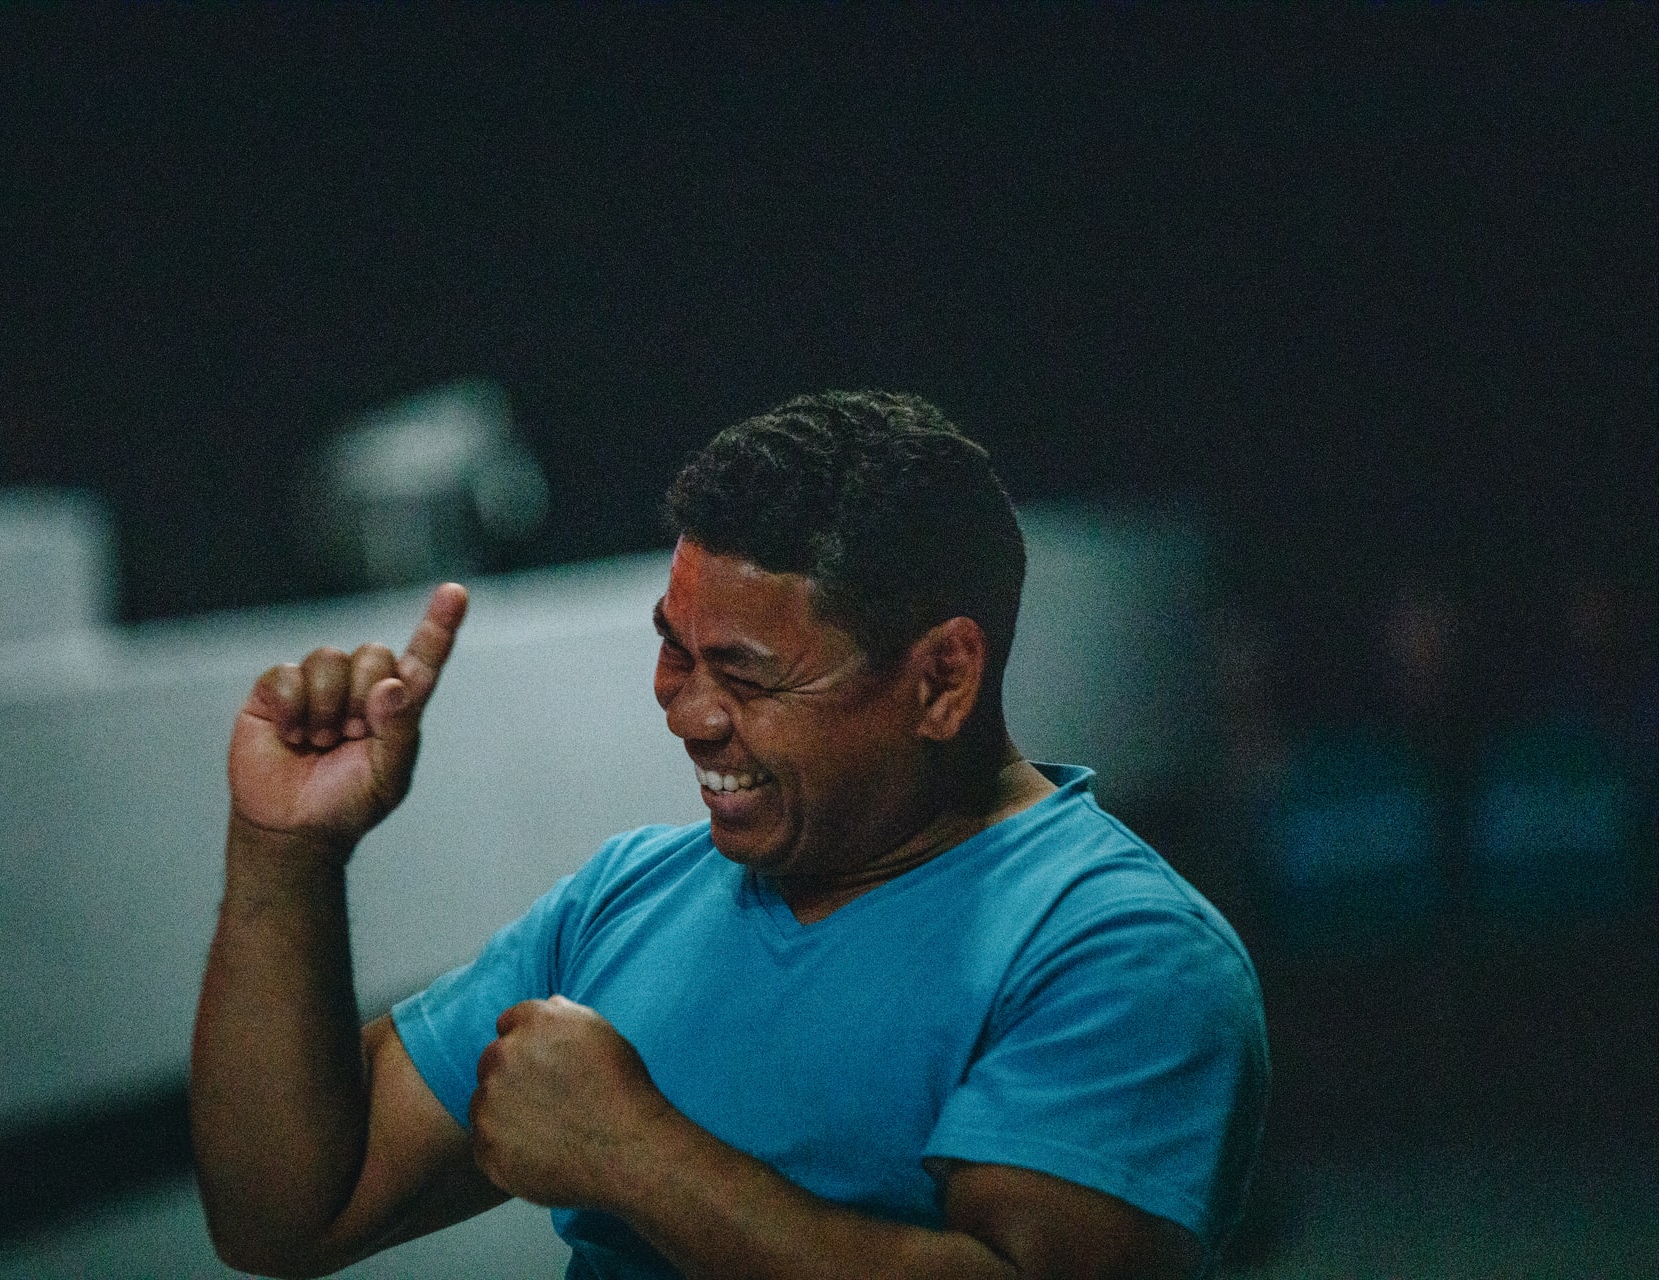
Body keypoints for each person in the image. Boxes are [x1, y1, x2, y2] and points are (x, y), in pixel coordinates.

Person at [191, 391, 1270, 1280]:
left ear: (941, 677)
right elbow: (289, 1212)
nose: (689, 712)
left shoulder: (1117, 947)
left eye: (747, 674)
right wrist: (285, 851)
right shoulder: (627, 897)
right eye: (675, 651)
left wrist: (638, 1155)